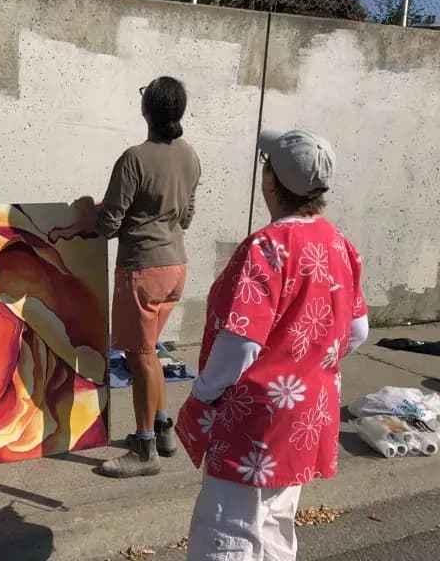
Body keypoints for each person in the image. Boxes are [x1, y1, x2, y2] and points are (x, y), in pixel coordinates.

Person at [175, 129, 369, 560]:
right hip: (305, 414)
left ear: (270, 181)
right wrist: (307, 366)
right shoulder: (339, 244)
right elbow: (358, 331)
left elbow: (241, 342)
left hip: (254, 420)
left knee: (228, 529)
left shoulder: (266, 248)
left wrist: (204, 394)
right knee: (277, 521)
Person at [67, 77, 201, 478]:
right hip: (175, 266)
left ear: (147, 111)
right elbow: (187, 216)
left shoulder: (135, 158)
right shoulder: (190, 156)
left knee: (139, 356)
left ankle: (144, 449)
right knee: (149, 352)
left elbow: (108, 225)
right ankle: (162, 428)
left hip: (142, 268)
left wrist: (87, 209)